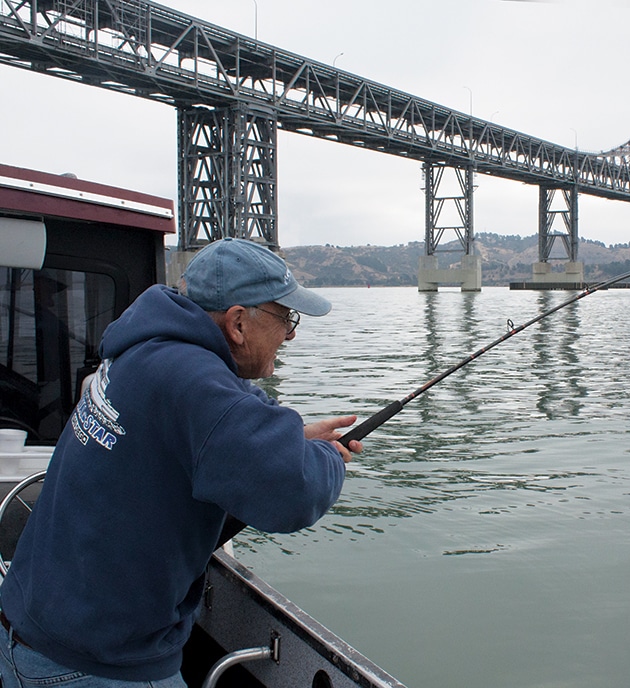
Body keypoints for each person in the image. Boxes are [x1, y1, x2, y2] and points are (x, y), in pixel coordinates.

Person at [0, 237, 361, 686]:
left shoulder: (144, 348)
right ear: (237, 324)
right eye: (285, 317)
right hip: (96, 662)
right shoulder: (194, 383)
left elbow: (213, 417)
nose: (289, 334)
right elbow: (293, 490)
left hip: (31, 624)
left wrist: (295, 437)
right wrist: (328, 456)